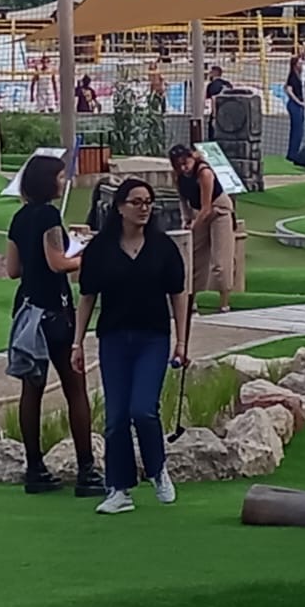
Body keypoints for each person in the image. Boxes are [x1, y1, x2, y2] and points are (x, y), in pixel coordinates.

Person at [73, 178, 189, 515]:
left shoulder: (163, 247)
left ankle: (157, 469)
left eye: (148, 202)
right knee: (116, 416)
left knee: (143, 409)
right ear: (120, 207)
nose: (143, 208)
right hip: (113, 338)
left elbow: (178, 294)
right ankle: (119, 489)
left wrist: (182, 341)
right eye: (136, 202)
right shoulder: (100, 248)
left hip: (152, 337)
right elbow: (87, 296)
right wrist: (77, 343)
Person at [6, 154, 106, 498]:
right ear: (47, 181)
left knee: (31, 388)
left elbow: (13, 269)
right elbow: (57, 263)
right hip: (54, 310)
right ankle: (86, 471)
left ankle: (34, 469)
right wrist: (86, 255)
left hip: (27, 308)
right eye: (60, 177)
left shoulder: (19, 217)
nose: (64, 182)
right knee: (75, 386)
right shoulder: (49, 215)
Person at [170, 144, 236, 314]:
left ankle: (224, 303)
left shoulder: (204, 173)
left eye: (185, 163)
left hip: (218, 211)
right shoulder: (178, 176)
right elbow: (183, 200)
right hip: (198, 213)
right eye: (178, 165)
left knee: (220, 260)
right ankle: (191, 301)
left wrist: (193, 227)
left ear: (192, 157)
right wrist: (186, 219)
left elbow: (207, 207)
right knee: (194, 256)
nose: (183, 168)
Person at [284, 54, 305, 163]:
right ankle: (292, 153)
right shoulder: (293, 76)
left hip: (298, 105)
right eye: (299, 63)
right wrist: (298, 102)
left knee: (299, 130)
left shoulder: (298, 76)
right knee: (297, 130)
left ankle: (294, 152)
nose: (301, 65)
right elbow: (289, 90)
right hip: (295, 105)